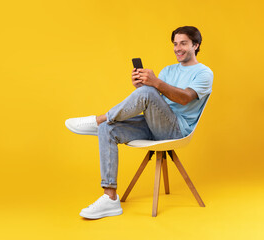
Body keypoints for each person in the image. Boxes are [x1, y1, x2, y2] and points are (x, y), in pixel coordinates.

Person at [65, 26, 213, 219]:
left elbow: (185, 98)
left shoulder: (204, 73)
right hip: (155, 123)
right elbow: (157, 101)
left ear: (196, 45)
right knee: (108, 130)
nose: (178, 48)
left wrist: (153, 85)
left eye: (183, 43)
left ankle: (99, 118)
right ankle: (110, 199)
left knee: (142, 96)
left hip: (176, 130)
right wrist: (142, 86)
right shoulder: (168, 70)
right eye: (175, 44)